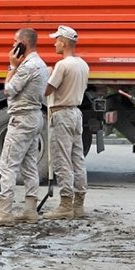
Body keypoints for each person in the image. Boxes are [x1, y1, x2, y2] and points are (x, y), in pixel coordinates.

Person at [0, 28, 49, 227]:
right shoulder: (41, 64)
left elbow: (9, 90)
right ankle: (30, 209)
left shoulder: (27, 66)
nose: (12, 47)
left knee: (7, 165)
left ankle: (4, 212)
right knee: (29, 165)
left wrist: (11, 66)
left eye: (14, 43)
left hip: (22, 118)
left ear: (22, 45)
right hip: (35, 117)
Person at [42, 25, 90, 221]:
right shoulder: (83, 64)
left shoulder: (63, 65)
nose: (54, 43)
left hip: (61, 113)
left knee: (62, 159)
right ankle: (79, 204)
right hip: (76, 113)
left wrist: (48, 73)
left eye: (56, 40)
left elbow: (47, 90)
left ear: (63, 42)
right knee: (77, 160)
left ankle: (64, 204)